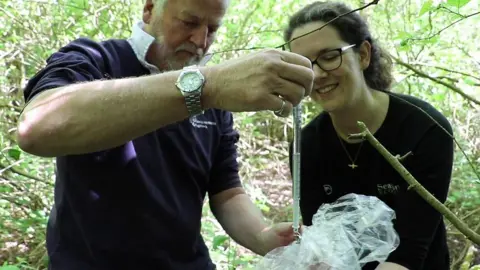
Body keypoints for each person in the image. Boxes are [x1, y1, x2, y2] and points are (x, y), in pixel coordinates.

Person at [16, 0, 315, 269]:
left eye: (212, 29)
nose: (200, 41)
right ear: (149, 9)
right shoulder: (96, 59)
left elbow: (226, 191)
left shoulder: (214, 99)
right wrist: (207, 85)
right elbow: (36, 128)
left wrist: (264, 238)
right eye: (189, 22)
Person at [285, 2, 454, 270]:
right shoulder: (307, 145)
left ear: (363, 54)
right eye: (304, 64)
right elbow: (320, 247)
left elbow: (409, 256)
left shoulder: (424, 128)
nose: (316, 74)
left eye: (330, 56)